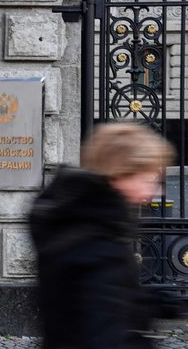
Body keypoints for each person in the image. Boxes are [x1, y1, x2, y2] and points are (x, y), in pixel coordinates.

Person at [29, 122, 177, 349]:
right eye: (149, 179)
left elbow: (96, 304)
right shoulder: (98, 244)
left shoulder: (80, 221)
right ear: (120, 176)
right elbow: (102, 335)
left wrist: (147, 300)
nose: (157, 190)